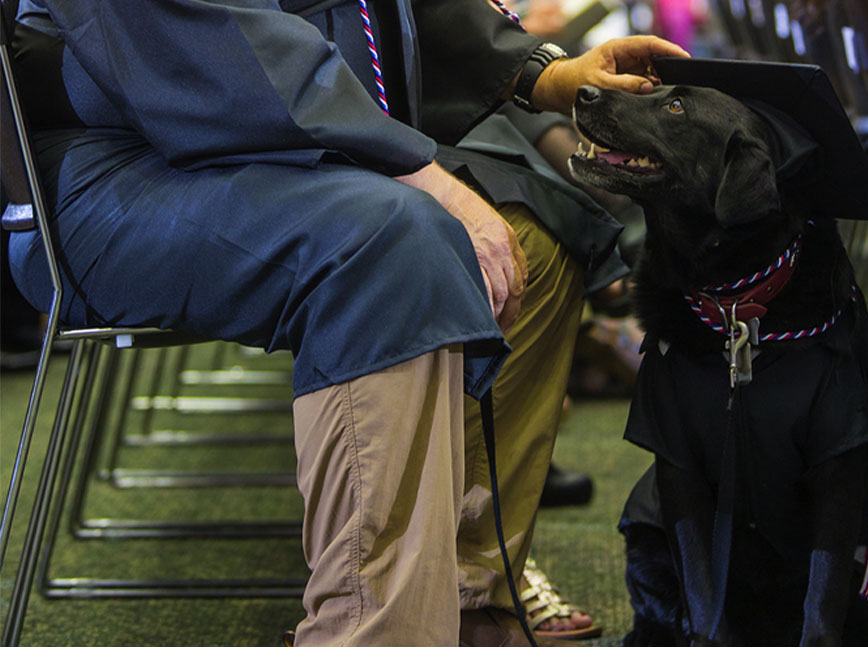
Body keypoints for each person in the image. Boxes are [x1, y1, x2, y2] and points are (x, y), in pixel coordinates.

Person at [6, 1, 687, 645]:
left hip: (270, 133)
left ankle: (464, 593)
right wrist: (415, 169)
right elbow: (198, 34)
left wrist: (546, 72)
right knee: (390, 244)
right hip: (112, 157)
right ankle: (368, 626)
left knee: (531, 239)